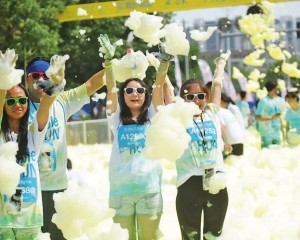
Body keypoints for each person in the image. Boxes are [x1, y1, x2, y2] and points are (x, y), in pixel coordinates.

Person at [24, 55, 106, 239]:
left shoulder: (63, 100)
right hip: (29, 189)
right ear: (26, 79)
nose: (40, 80)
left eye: (45, 75)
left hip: (58, 189)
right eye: (35, 76)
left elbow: (93, 84)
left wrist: (112, 65)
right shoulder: (18, 105)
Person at [99, 34, 170, 240]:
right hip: (120, 194)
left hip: (149, 192)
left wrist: (163, 65)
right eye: (129, 90)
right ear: (124, 95)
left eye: (140, 90)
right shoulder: (116, 119)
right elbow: (111, 89)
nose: (135, 93)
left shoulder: (153, 116)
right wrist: (108, 63)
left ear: (145, 94)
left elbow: (158, 88)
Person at [0, 49, 59, 239]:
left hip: (31, 219)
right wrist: (4, 77)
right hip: (4, 221)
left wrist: (56, 83)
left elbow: (45, 107)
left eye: (22, 100)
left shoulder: (33, 134)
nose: (17, 104)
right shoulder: (1, 135)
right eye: (11, 101)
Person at [176, 56, 229, 240]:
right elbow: (163, 94)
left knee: (213, 236)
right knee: (190, 238)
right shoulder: (177, 117)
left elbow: (217, 87)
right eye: (189, 96)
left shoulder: (213, 112)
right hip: (188, 183)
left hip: (216, 182)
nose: (196, 100)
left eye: (200, 96)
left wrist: (220, 66)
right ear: (182, 99)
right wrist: (162, 68)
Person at [255, 80, 282, 148]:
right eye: (276, 88)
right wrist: (271, 118)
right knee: (267, 154)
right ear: (273, 89)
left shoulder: (278, 100)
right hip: (267, 133)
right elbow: (257, 117)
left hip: (277, 132)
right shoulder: (264, 101)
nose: (278, 90)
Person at [220, 92, 245, 156]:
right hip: (239, 138)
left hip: (232, 139)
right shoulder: (226, 110)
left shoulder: (231, 108)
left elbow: (240, 122)